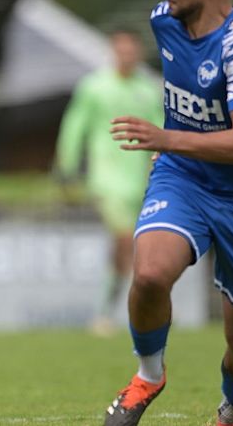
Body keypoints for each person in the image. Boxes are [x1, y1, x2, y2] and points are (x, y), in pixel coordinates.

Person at [103, 0, 233, 426]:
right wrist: (174, 148)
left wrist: (168, 138)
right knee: (148, 274)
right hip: (184, 178)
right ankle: (148, 376)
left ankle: (232, 414)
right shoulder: (163, 21)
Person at [54, 30, 163, 336]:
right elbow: (74, 126)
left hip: (141, 181)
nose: (126, 56)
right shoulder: (94, 86)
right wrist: (67, 168)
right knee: (125, 240)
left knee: (137, 246)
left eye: (131, 51)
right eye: (121, 51)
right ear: (113, 53)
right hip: (106, 180)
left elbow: (162, 131)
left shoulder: (148, 89)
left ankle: (114, 310)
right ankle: (119, 311)